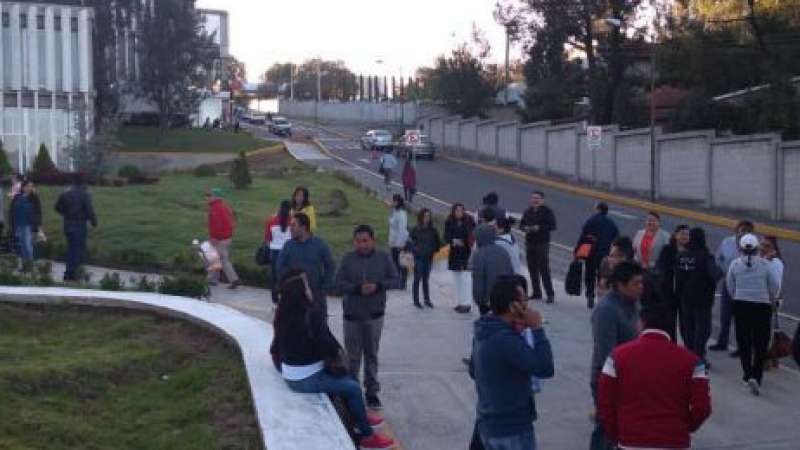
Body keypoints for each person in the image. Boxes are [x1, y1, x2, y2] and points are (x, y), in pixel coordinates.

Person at [270, 269, 395, 449]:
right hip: (304, 379)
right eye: (306, 284)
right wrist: (336, 352)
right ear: (300, 290)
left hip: (293, 372)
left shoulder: (283, 312)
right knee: (351, 387)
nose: (309, 288)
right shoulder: (311, 314)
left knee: (347, 376)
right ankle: (367, 437)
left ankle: (358, 417)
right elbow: (327, 345)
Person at [597, 303, 711, 450]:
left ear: (641, 324)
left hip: (630, 441)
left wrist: (617, 432)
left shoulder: (616, 356)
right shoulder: (693, 362)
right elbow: (702, 408)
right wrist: (683, 426)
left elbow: (605, 402)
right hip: (675, 441)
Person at [469, 276, 554, 450]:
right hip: (511, 430)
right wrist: (537, 328)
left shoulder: (484, 329)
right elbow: (545, 368)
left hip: (488, 423)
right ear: (513, 306)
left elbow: (473, 371)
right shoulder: (506, 340)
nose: (527, 304)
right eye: (524, 299)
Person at [335, 225, 399, 410]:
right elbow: (337, 284)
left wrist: (378, 286)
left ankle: (371, 392)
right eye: (358, 241)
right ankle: (351, 391)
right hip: (352, 316)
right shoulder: (348, 259)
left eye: (365, 241)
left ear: (373, 240)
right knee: (353, 357)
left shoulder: (383, 258)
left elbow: (396, 280)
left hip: (374, 316)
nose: (362, 245)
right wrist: (356, 289)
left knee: (371, 355)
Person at [590, 261, 644, 450]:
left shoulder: (632, 303)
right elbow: (608, 355)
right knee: (606, 429)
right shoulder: (606, 310)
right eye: (636, 284)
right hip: (609, 378)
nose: (641, 288)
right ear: (620, 285)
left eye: (641, 283)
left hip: (628, 376)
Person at [726, 233, 781, 396]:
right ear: (757, 248)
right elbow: (774, 286)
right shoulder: (765, 265)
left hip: (741, 305)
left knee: (743, 341)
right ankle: (757, 376)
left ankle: (746, 374)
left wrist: (738, 296)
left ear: (740, 248)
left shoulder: (735, 265)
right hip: (761, 307)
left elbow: (730, 286)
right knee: (760, 343)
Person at [674, 228, 723, 366]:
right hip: (703, 299)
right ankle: (698, 357)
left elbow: (677, 276)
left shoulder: (681, 256)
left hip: (685, 298)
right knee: (702, 329)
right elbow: (717, 274)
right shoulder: (706, 257)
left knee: (687, 327)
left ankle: (689, 355)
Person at [277, 213, 335, 315]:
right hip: (293, 298)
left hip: (316, 298)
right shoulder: (288, 246)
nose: (290, 228)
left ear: (303, 227)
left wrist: (324, 288)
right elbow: (280, 269)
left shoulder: (319, 244)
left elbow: (330, 266)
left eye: (293, 225)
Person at [710, 220, 755, 352]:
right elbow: (719, 258)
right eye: (741, 230)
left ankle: (742, 347)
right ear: (736, 230)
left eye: (747, 231)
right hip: (728, 281)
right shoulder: (727, 242)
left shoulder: (753, 245)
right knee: (725, 315)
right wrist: (724, 271)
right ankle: (722, 342)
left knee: (742, 318)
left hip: (745, 285)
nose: (743, 233)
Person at [55, 173, 97, 282]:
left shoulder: (65, 193)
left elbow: (57, 207)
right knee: (78, 250)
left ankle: (68, 273)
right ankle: (75, 274)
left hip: (68, 224)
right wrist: (94, 221)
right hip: (80, 224)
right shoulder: (84, 194)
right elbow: (89, 210)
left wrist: (66, 214)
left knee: (71, 249)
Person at [577, 202, 619, 308]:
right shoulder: (611, 223)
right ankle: (602, 298)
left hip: (591, 253)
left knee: (590, 275)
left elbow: (583, 236)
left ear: (598, 209)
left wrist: (577, 251)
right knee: (602, 276)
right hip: (604, 254)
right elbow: (616, 238)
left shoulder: (591, 221)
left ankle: (590, 296)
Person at [520, 191, 557, 302]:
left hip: (542, 243)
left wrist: (539, 228)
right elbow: (521, 225)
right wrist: (525, 228)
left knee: (544, 269)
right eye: (533, 198)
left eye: (537, 198)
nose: (535, 200)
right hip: (530, 243)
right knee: (532, 269)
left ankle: (550, 294)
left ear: (542, 200)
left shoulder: (547, 212)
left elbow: (552, 226)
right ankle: (536, 292)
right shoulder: (528, 211)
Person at [655, 224, 690, 341]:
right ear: (675, 235)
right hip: (669, 291)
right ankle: (671, 345)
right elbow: (660, 267)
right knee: (669, 321)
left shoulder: (691, 251)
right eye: (682, 234)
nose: (685, 237)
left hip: (685, 293)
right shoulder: (667, 249)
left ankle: (688, 347)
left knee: (686, 323)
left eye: (687, 234)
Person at [471, 224, 514, 316]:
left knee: (489, 325)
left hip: (488, 300)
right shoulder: (503, 251)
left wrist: (479, 301)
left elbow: (478, 280)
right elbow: (511, 273)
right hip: (505, 297)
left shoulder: (479, 254)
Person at [444, 203, 476, 313]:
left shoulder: (469, 221)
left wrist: (466, 242)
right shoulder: (449, 221)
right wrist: (453, 241)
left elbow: (472, 235)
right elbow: (446, 236)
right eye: (457, 210)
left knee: (465, 279)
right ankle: (459, 302)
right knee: (457, 278)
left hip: (466, 253)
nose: (459, 213)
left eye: (461, 210)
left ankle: (466, 303)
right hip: (454, 253)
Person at [206, 188, 241, 289]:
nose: (207, 198)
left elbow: (217, 225)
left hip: (219, 239)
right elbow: (230, 223)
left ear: (216, 197)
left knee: (214, 259)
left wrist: (215, 237)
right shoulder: (224, 207)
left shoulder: (215, 208)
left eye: (210, 196)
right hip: (226, 238)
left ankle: (212, 280)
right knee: (222, 259)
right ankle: (232, 279)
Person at [760, 235, 784, 370]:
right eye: (762, 244)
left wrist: (773, 301)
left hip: (770, 301)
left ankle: (766, 361)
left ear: (774, 249)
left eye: (767, 246)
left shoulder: (776, 263)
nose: (763, 248)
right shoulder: (761, 259)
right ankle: (770, 359)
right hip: (760, 300)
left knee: (766, 333)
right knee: (766, 331)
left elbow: (776, 284)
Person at [409, 208, 442, 308]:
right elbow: (409, 243)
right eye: (425, 216)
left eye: (428, 216)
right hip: (418, 258)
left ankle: (427, 299)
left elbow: (438, 242)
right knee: (417, 278)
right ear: (421, 217)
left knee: (425, 279)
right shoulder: (415, 229)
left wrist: (434, 250)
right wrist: (415, 250)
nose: (427, 218)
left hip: (429, 257)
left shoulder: (433, 230)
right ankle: (416, 300)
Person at [264, 200, 293, 304]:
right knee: (288, 275)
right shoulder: (293, 222)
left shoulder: (272, 221)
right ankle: (287, 298)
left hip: (275, 251)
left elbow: (267, 238)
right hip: (288, 252)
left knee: (274, 276)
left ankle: (275, 300)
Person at [10, 180, 42, 270]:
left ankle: (30, 265)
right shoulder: (17, 197)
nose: (30, 188)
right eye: (28, 186)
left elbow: (38, 212)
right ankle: (23, 265)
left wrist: (37, 225)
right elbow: (12, 211)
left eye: (32, 186)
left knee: (27, 245)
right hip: (17, 224)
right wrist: (12, 224)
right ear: (23, 187)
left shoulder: (34, 198)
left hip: (28, 225)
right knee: (20, 246)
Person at [388, 194, 410, 289]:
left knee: (403, 263)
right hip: (394, 242)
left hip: (401, 243)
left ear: (398, 202)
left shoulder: (402, 214)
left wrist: (399, 244)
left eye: (394, 201)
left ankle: (402, 283)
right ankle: (397, 282)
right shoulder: (395, 212)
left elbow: (402, 230)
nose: (393, 203)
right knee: (396, 263)